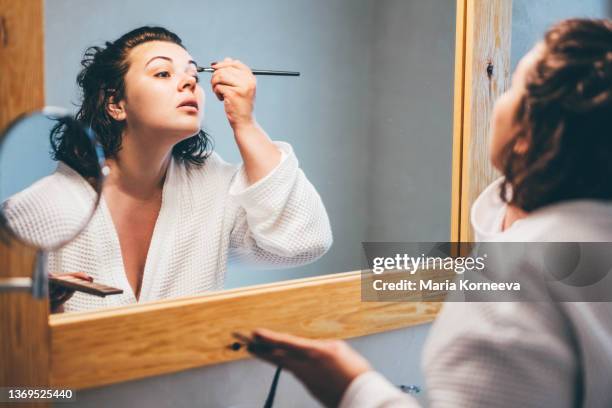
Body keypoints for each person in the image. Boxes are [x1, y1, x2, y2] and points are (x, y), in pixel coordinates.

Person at [247, 18, 612, 407]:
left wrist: (351, 386)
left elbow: (301, 241)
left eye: (511, 87)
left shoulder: (516, 271)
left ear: (528, 132)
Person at [2, 26, 332, 312]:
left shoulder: (209, 190)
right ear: (116, 103)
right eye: (163, 73)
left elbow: (303, 242)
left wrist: (244, 123)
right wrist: (36, 308)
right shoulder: (48, 207)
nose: (188, 84)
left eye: (192, 76)